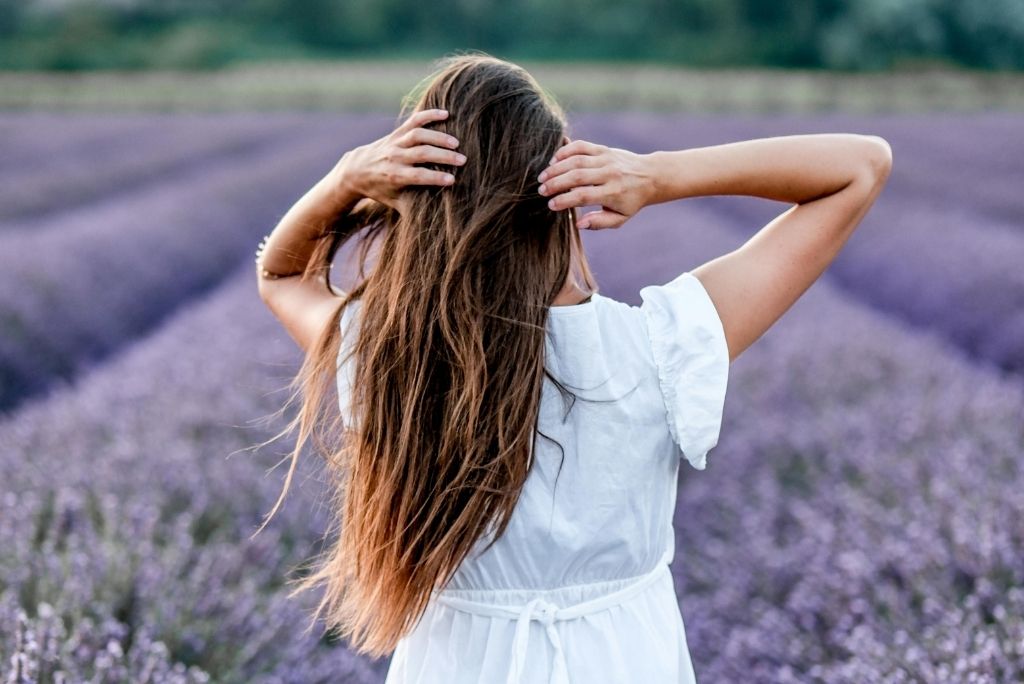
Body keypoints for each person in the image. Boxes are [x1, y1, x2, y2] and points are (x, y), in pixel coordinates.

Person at [254, 53, 892, 683]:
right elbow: (860, 167)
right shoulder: (660, 346)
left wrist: (344, 180)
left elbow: (280, 274)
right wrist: (657, 175)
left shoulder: (391, 355)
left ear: (416, 201)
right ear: (565, 179)